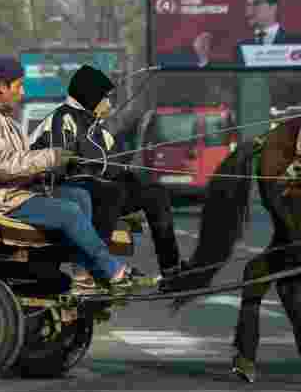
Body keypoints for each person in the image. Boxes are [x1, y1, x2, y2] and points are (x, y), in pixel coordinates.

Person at [0, 57, 152, 290]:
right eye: (18, 86)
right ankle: (112, 270)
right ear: (2, 87)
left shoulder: (2, 119)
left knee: (79, 196)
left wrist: (49, 170)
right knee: (69, 212)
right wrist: (51, 157)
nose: (22, 93)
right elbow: (0, 165)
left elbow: (19, 164)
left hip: (11, 192)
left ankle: (82, 273)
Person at [30, 65, 188, 287]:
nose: (109, 104)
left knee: (155, 193)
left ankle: (171, 269)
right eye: (104, 98)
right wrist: (91, 166)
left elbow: (113, 167)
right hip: (65, 191)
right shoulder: (62, 118)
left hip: (101, 192)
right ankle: (94, 268)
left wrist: (129, 175)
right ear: (90, 96)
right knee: (110, 191)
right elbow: (60, 163)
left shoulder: (100, 131)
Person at [191, 0, 301, 67]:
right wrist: (203, 58)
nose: (249, 10)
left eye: (256, 3)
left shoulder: (298, 43)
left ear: (273, 7)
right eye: (248, 5)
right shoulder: (240, 48)